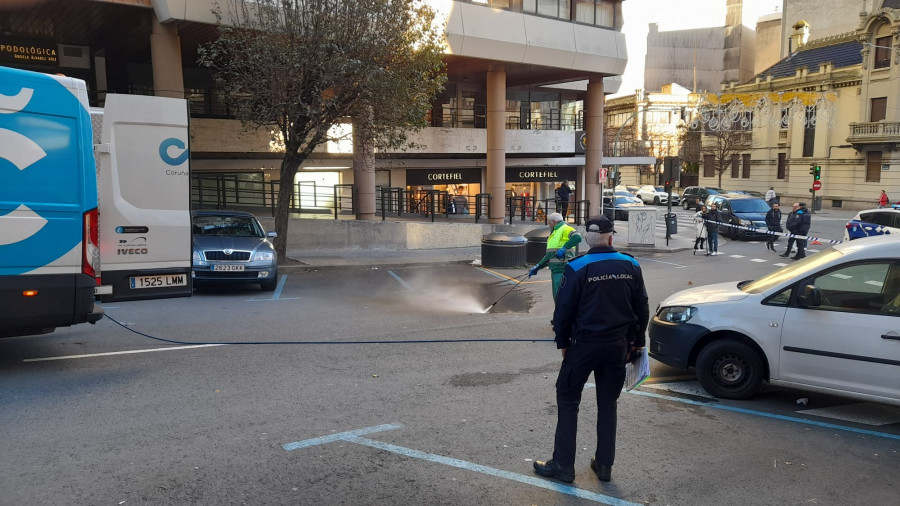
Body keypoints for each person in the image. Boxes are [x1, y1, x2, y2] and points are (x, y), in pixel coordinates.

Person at [533, 215, 649, 484]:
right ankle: (605, 465)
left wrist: (563, 343)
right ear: (611, 238)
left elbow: (563, 310)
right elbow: (641, 306)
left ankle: (563, 465)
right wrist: (637, 342)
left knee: (568, 399)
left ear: (587, 239)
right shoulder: (631, 264)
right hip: (618, 346)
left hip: (583, 345)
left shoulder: (578, 267)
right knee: (608, 404)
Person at [529, 212, 582, 305]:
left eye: (549, 223)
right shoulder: (555, 233)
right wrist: (538, 266)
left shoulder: (565, 229)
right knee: (559, 297)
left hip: (563, 268)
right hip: (556, 269)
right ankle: (561, 317)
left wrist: (564, 248)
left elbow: (578, 237)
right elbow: (550, 255)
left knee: (561, 298)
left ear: (553, 222)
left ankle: (562, 318)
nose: (549, 225)